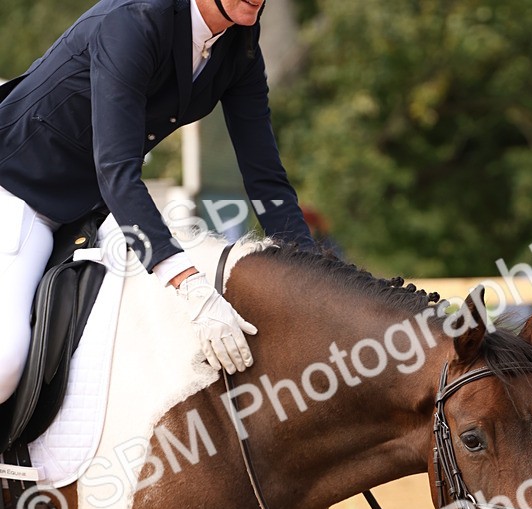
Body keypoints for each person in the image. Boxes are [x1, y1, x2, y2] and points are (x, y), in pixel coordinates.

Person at [0, 0, 314, 403]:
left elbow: (265, 179)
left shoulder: (240, 43)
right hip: (20, 186)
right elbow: (117, 169)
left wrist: (312, 272)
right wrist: (190, 286)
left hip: (94, 203)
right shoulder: (135, 21)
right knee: (6, 361)